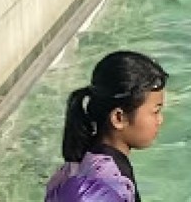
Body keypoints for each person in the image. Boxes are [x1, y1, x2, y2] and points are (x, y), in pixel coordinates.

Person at [45, 50, 169, 202]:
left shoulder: (80, 166)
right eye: (155, 111)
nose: (160, 119)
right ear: (119, 118)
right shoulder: (103, 186)